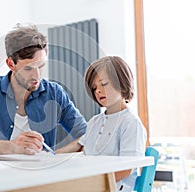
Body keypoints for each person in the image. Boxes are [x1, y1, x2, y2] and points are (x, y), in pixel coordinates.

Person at [0, 24, 87, 156]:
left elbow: (86, 135)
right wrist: (13, 148)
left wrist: (53, 155)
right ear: (11, 64)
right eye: (28, 68)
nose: (37, 76)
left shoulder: (54, 93)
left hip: (41, 174)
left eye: (41, 66)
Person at [56, 56, 147, 191]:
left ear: (122, 82)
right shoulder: (94, 122)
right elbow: (81, 145)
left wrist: (92, 182)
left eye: (103, 84)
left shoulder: (131, 123)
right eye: (94, 88)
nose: (98, 91)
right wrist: (50, 156)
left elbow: (126, 169)